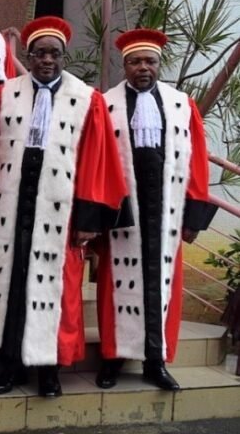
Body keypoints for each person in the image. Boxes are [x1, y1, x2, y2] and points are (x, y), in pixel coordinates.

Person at [0, 16, 131, 398]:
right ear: (28, 58)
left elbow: (98, 161)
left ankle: (49, 372)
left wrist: (88, 219)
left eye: (54, 54)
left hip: (59, 214)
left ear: (64, 57)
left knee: (56, 291)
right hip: (11, 209)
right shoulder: (5, 94)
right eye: (39, 54)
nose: (47, 60)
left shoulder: (85, 100)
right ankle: (10, 366)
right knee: (10, 286)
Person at [95, 29, 217, 391]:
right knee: (116, 287)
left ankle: (155, 361)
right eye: (135, 62)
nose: (143, 68)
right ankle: (112, 358)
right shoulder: (106, 104)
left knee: (162, 286)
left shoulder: (181, 104)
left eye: (150, 61)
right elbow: (98, 160)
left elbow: (196, 164)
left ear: (159, 65)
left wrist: (193, 216)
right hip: (123, 209)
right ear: (125, 66)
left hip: (167, 208)